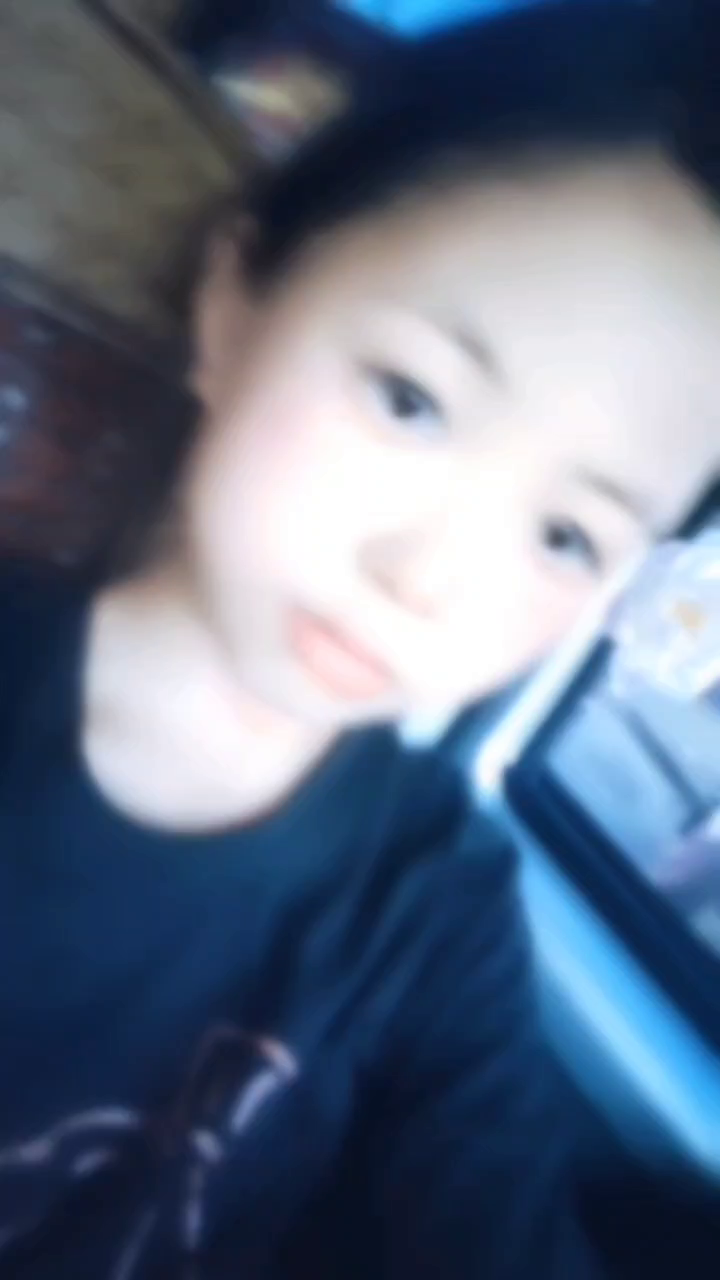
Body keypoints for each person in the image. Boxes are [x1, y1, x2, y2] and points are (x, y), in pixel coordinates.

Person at [1, 1, 719, 1276]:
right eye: (410, 398)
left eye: (567, 536)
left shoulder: (435, 907)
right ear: (234, 302)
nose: (426, 581)